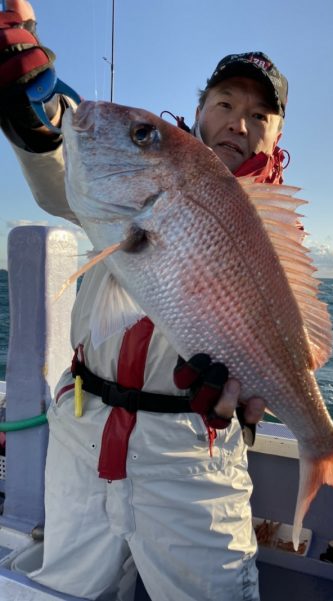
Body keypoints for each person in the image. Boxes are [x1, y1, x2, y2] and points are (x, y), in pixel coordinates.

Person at [0, 1, 289, 600]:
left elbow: (281, 348)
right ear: (202, 108)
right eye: (227, 105)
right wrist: (31, 115)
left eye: (260, 115)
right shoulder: (143, 166)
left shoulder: (279, 234)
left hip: (192, 458)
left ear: (278, 134)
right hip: (83, 431)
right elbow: (69, 179)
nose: (240, 123)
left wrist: (246, 406)